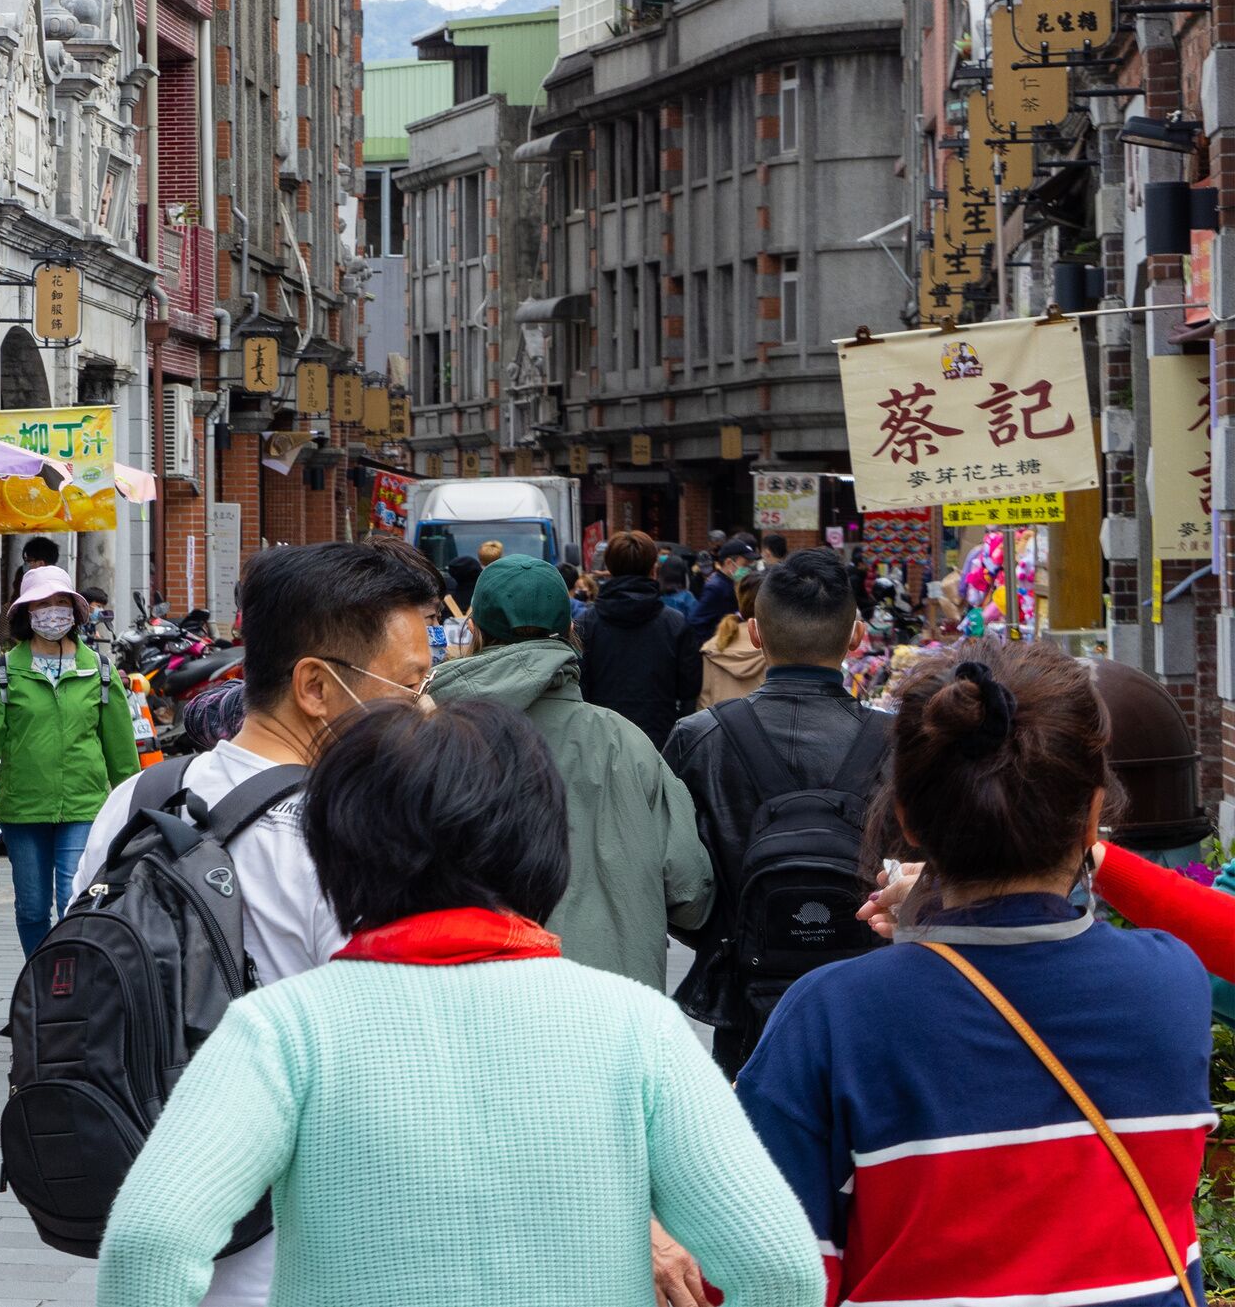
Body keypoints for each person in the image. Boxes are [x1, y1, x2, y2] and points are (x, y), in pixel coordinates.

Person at [93, 698, 823, 1307]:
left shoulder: (284, 1028)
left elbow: (150, 1241)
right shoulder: (638, 1025)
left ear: (338, 850)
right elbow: (779, 1268)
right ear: (542, 848)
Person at [735, 645, 1210, 1307]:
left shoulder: (832, 1015)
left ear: (906, 818)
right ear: (1095, 813)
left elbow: (773, 1273)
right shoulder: (1171, 984)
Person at [70, 540, 437, 1307]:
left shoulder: (142, 797)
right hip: (302, 1252)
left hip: (157, 1211)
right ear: (315, 685)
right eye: (409, 683)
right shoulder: (349, 836)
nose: (426, 707)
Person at [428, 552, 712, 989]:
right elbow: (692, 894)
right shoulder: (626, 743)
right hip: (611, 1010)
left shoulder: (432, 741)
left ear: (476, 631)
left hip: (476, 1007)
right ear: (570, 631)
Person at [666, 546, 889, 1072]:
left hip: (745, 993)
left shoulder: (699, 739)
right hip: (874, 991)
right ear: (856, 636)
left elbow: (674, 877)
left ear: (756, 633)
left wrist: (728, 931)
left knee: (751, 1145)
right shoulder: (903, 742)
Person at [0, 563, 141, 958]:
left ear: (75, 612)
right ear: (27, 614)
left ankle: (68, 989)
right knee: (31, 908)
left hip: (84, 805)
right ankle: (38, 982)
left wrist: (133, 804)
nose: (52, 611)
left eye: (60, 602)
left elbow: (119, 747)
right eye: (42, 603)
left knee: (72, 900)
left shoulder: (98, 671)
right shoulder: (4, 672)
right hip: (23, 809)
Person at [578, 528, 702, 747]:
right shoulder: (675, 624)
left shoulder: (587, 624)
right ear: (653, 569)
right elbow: (689, 692)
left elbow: (579, 689)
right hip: (660, 742)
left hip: (602, 741)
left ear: (609, 568)